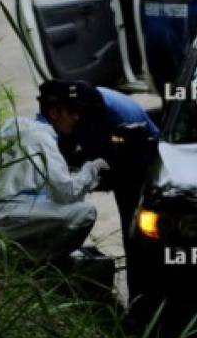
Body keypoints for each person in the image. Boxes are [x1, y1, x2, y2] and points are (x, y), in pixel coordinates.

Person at [45, 80, 160, 301]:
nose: (75, 118)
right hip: (115, 153)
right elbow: (68, 146)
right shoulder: (79, 107)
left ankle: (142, 301)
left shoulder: (118, 120)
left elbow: (122, 170)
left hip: (142, 161)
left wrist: (85, 181)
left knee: (135, 235)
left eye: (78, 114)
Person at [0, 102, 108, 262]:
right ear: (55, 113)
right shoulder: (42, 138)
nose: (76, 118)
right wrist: (91, 169)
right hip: (4, 216)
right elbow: (67, 193)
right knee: (86, 212)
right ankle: (44, 262)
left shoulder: (25, 130)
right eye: (71, 112)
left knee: (54, 202)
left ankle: (26, 252)